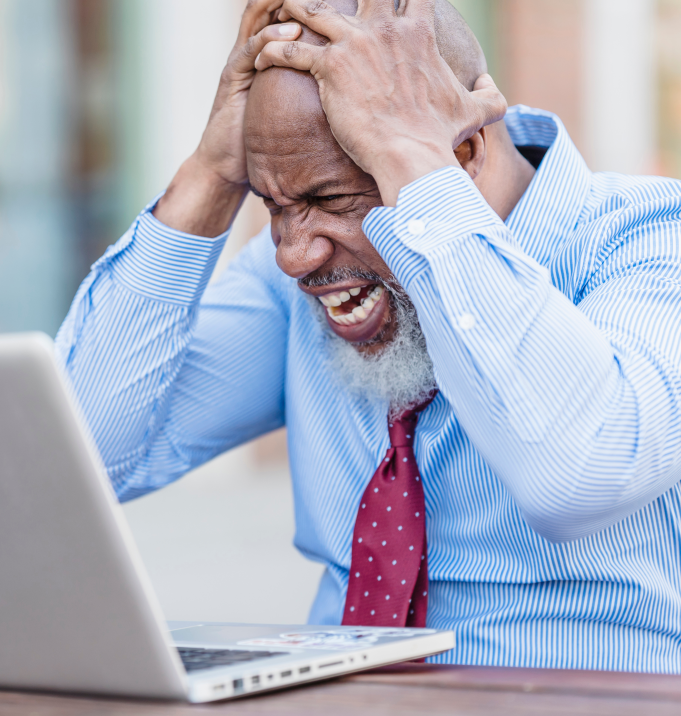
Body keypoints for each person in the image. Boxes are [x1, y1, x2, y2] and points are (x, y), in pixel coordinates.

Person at [55, 0, 681, 672]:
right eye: (273, 205)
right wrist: (209, 174)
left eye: (332, 200)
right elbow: (77, 457)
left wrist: (415, 168)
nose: (294, 255)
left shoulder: (650, 239)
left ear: (463, 153)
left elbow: (578, 474)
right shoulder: (300, 272)